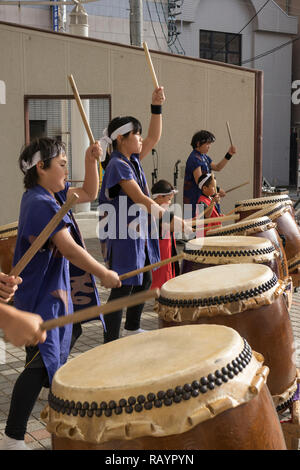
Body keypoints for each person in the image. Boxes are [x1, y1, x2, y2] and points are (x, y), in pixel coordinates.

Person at [0, 137, 121, 451]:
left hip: (54, 294)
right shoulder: (40, 203)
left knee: (71, 333)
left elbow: (91, 193)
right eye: (62, 165)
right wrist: (104, 273)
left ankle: (46, 383)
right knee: (38, 361)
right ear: (42, 167)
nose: (67, 170)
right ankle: (13, 436)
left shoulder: (50, 195)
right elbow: (69, 249)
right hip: (41, 298)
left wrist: (90, 159)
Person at [98, 86, 193, 343]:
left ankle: (131, 327)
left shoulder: (132, 159)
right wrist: (173, 221)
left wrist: (156, 107)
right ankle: (110, 340)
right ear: (121, 138)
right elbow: (139, 198)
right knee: (124, 286)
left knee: (144, 280)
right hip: (123, 234)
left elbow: (154, 137)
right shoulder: (117, 165)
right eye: (136, 135)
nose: (141, 139)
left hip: (138, 231)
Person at [183, 130, 236, 218]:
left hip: (204, 197)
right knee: (196, 228)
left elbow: (218, 167)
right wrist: (217, 189)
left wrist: (229, 154)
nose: (209, 147)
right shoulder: (194, 158)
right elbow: (200, 182)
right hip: (194, 198)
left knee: (207, 226)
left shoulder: (204, 156)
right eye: (207, 144)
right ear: (198, 143)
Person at [150, 179, 180, 289]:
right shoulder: (156, 212)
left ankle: (160, 304)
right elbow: (171, 225)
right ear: (159, 197)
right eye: (168, 199)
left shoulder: (162, 211)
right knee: (161, 282)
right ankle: (158, 305)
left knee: (166, 281)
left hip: (167, 250)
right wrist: (185, 226)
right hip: (160, 253)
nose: (170, 202)